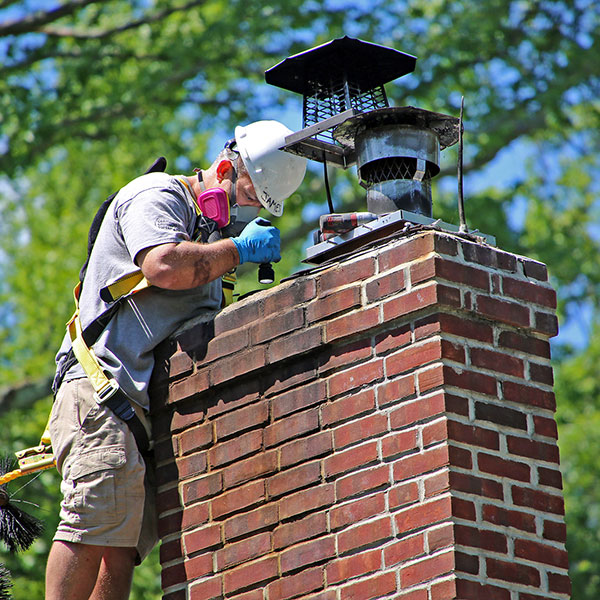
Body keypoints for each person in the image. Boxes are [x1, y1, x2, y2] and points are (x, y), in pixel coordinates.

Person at [45, 120, 306, 600]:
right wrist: (238, 249)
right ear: (226, 168)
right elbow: (162, 264)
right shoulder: (157, 195)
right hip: (97, 389)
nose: (241, 215)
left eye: (254, 210)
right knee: (91, 517)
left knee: (122, 544)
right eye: (246, 198)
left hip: (136, 411)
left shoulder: (209, 254)